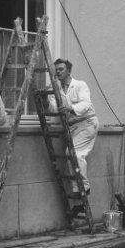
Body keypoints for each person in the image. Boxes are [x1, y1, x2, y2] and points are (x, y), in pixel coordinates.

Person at [41, 59, 99, 196]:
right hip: (73, 127)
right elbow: (54, 108)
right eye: (56, 69)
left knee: (74, 153)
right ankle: (78, 193)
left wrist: (70, 108)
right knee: (71, 158)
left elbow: (86, 104)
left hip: (87, 123)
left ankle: (84, 187)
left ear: (69, 71)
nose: (58, 72)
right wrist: (45, 99)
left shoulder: (79, 85)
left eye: (61, 69)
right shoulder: (57, 90)